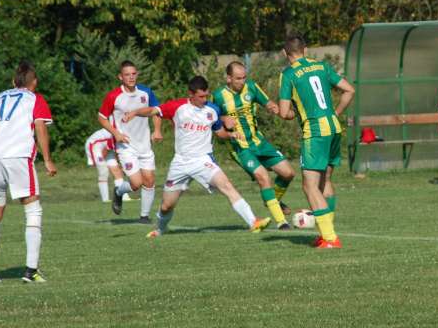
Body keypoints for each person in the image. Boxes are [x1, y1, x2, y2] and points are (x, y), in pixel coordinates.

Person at [123, 76, 271, 237]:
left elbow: (219, 131)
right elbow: (153, 110)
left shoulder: (212, 110)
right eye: (200, 96)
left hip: (203, 160)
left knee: (227, 186)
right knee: (166, 206)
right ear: (190, 94)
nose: (204, 99)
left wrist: (231, 135)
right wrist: (136, 112)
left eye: (206, 95)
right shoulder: (178, 107)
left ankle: (253, 221)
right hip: (180, 162)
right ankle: (160, 229)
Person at [0, 61, 57, 284]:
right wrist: (48, 160)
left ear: (14, 82)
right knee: (33, 209)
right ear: (34, 83)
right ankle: (31, 271)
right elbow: (40, 127)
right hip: (19, 155)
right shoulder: (35, 99)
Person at [278, 35, 355, 249]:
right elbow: (350, 90)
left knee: (309, 185)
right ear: (306, 49)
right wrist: (336, 112)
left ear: (286, 54)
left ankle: (330, 238)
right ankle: (325, 235)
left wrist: (291, 113)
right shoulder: (322, 66)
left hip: (314, 131)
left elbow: (285, 112)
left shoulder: (288, 74)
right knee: (325, 181)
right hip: (333, 127)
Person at [214, 61, 296, 230]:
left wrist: (275, 108)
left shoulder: (251, 87)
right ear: (228, 78)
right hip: (240, 147)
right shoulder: (218, 96)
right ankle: (282, 222)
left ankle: (273, 200)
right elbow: (210, 118)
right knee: (263, 177)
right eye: (238, 78)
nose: (242, 81)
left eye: (244, 77)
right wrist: (223, 119)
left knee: (288, 173)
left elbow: (268, 103)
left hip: (259, 141)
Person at [98, 60, 163, 223]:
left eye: (134, 74)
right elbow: (101, 117)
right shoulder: (114, 96)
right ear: (120, 77)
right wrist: (116, 134)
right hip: (126, 146)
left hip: (145, 145)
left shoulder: (146, 92)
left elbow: (156, 111)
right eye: (127, 74)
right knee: (136, 183)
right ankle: (119, 192)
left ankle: (144, 217)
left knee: (149, 180)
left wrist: (157, 130)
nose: (131, 77)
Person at [84, 128, 131, 203]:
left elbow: (116, 150)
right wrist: (101, 162)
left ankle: (124, 197)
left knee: (117, 171)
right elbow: (107, 149)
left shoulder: (129, 132)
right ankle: (105, 200)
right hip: (94, 145)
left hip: (106, 147)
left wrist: (121, 165)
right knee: (103, 171)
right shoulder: (119, 132)